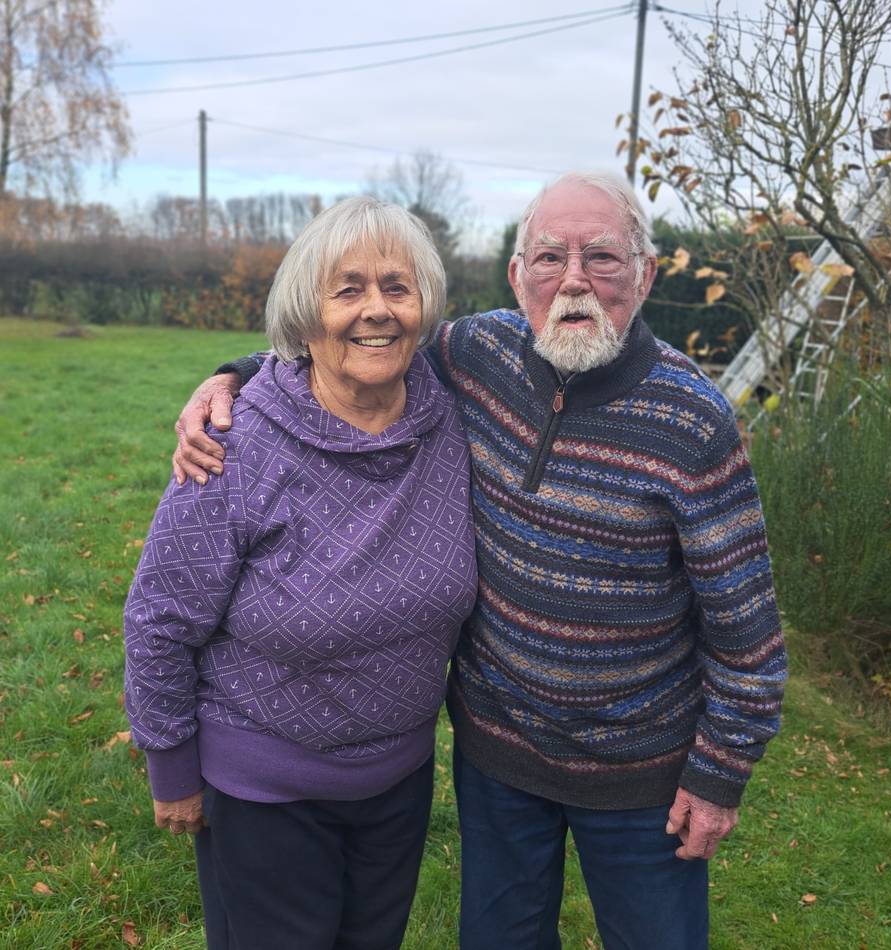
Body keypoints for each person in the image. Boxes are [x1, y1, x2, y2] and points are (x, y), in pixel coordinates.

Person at [174, 172, 787, 950]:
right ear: (515, 275)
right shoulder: (475, 353)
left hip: (642, 773)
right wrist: (234, 375)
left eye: (601, 258)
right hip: (499, 759)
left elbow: (749, 636)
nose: (572, 280)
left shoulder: (693, 420)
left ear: (646, 274)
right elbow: (358, 340)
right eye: (548, 258)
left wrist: (719, 773)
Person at [125, 196, 478, 950]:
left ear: (426, 307)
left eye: (397, 286)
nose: (375, 310)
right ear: (304, 313)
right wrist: (171, 766)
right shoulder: (234, 441)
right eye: (347, 289)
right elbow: (159, 615)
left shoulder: (451, 419)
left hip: (399, 784)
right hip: (263, 793)